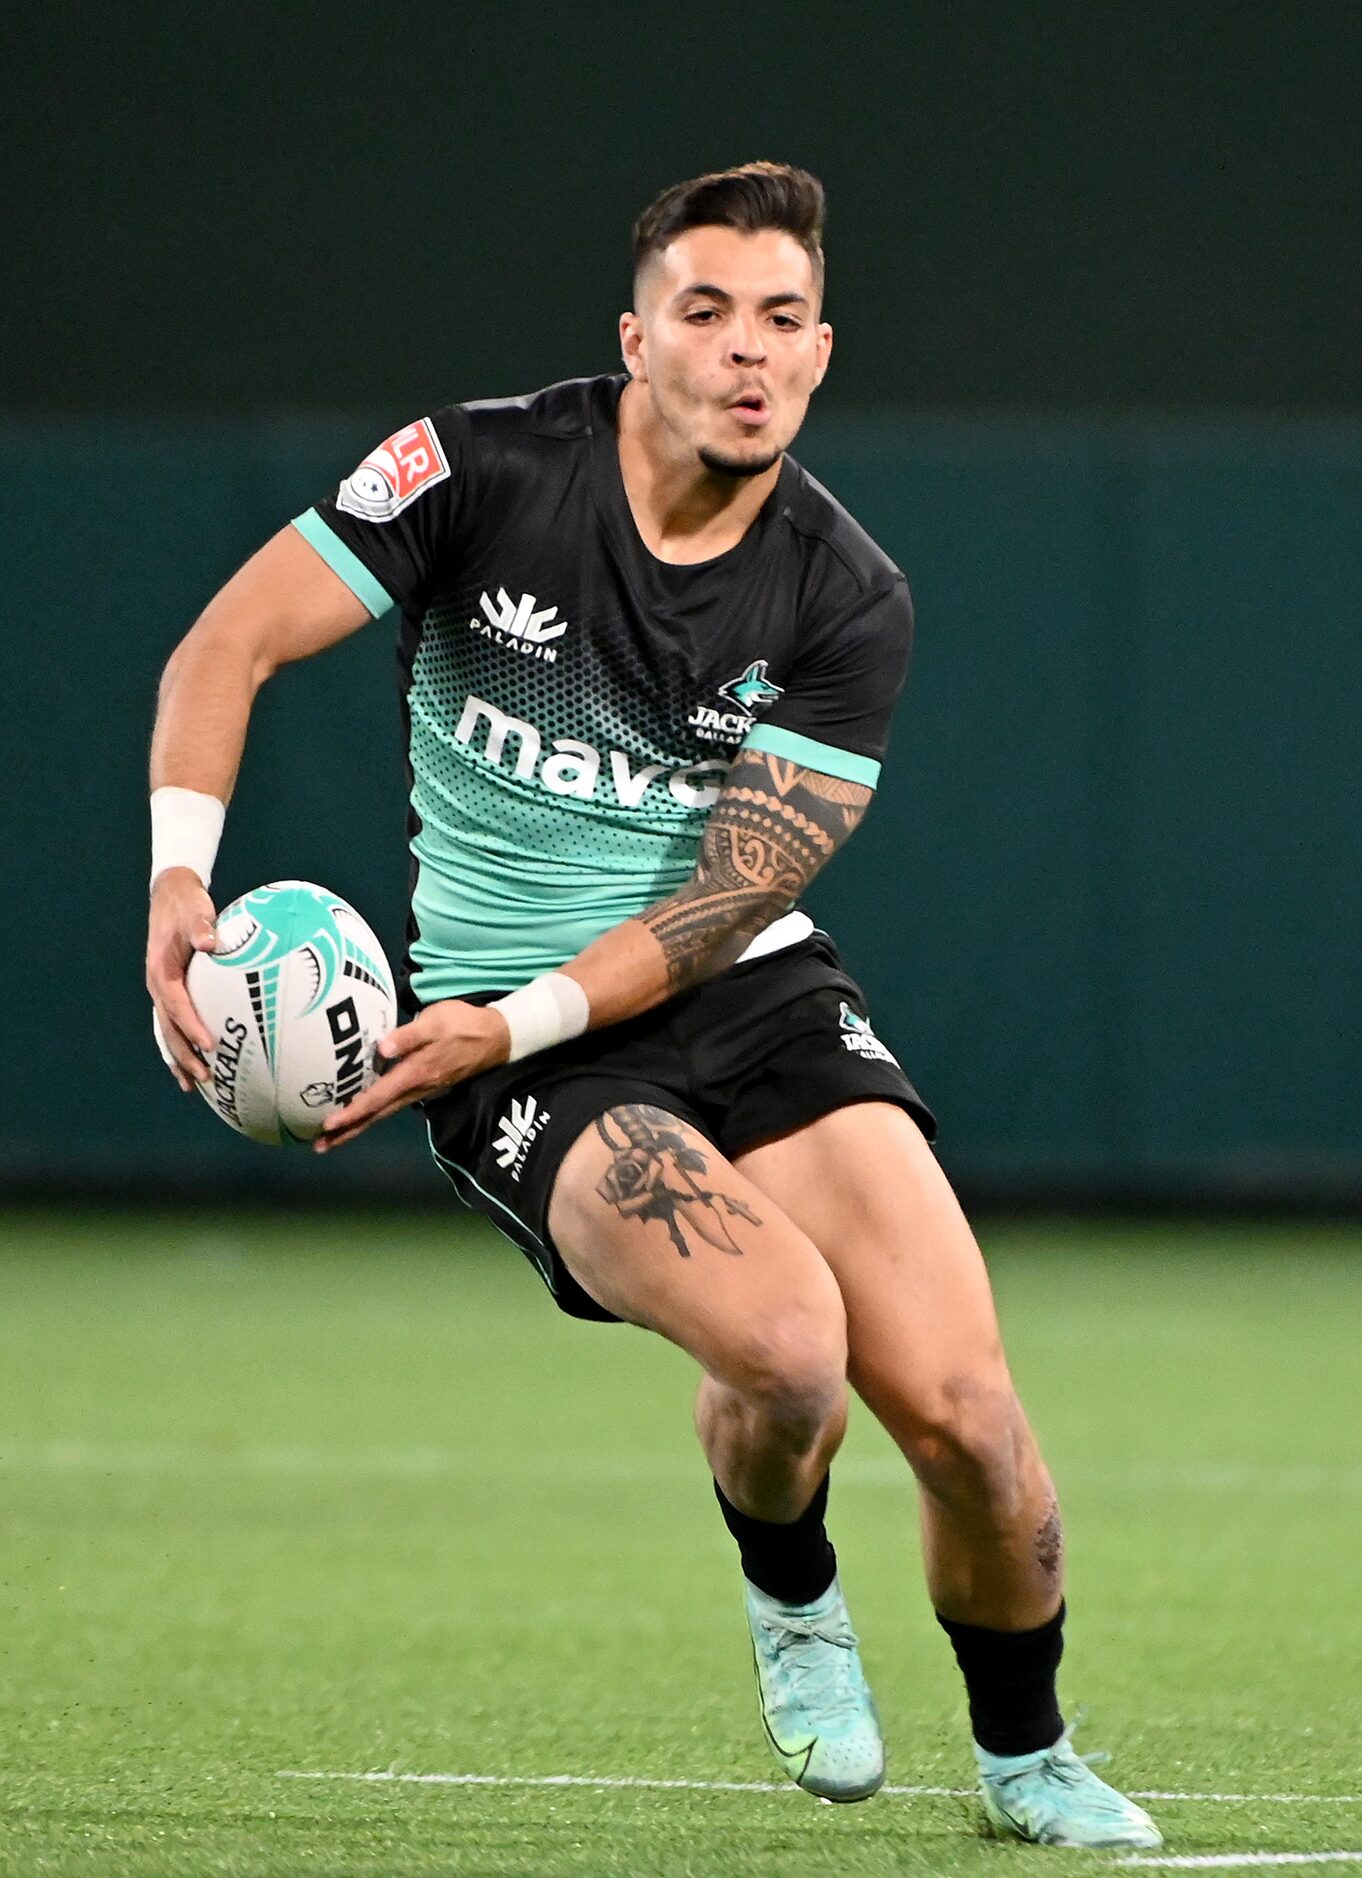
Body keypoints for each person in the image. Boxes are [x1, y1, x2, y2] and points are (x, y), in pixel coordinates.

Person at [145, 162, 1159, 1851]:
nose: (743, 352)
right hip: (503, 1043)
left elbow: (718, 906)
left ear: (819, 355)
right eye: (704, 314)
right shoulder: (476, 471)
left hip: (724, 986)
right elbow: (223, 646)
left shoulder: (846, 596)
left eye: (779, 321)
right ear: (636, 341)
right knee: (786, 1351)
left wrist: (516, 1017)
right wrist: (182, 877)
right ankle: (793, 1599)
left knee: (972, 1419)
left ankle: (1025, 1756)